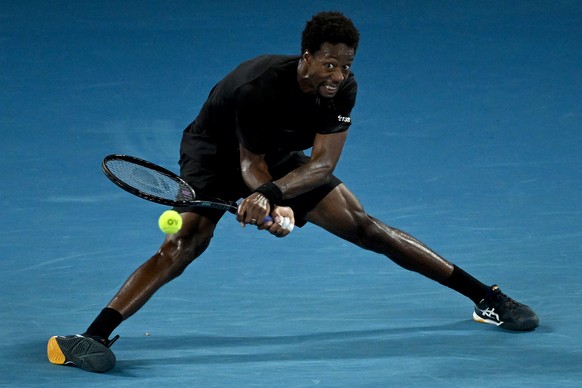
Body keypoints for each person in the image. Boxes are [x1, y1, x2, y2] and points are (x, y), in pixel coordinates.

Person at [47, 11, 539, 373]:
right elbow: (246, 163)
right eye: (328, 65)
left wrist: (272, 200)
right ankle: (90, 338)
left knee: (366, 227)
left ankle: (485, 298)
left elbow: (323, 162)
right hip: (215, 154)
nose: (337, 76)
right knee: (185, 244)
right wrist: (267, 200)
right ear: (306, 56)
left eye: (345, 66)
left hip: (278, 159)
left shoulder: (342, 89)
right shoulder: (258, 85)